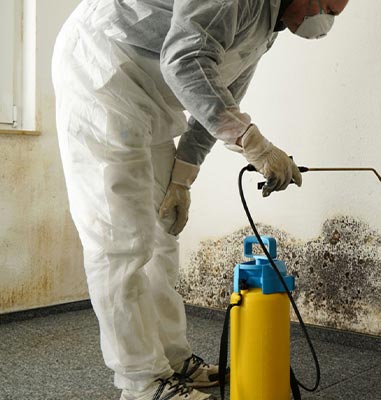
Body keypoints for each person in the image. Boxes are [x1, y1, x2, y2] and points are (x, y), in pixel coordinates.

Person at [51, 0, 348, 399]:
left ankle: (173, 363)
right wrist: (254, 144)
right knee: (120, 241)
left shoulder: (267, 27)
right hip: (103, 74)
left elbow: (218, 99)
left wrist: (183, 179)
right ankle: (143, 382)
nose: (324, 20)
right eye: (326, 5)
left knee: (161, 236)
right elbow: (184, 60)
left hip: (150, 101)